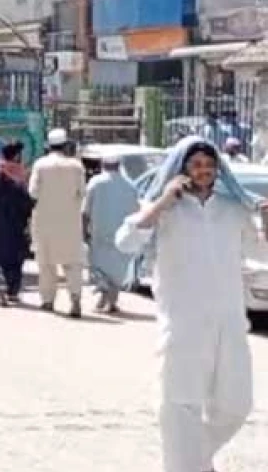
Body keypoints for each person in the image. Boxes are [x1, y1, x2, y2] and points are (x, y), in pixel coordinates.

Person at [116, 136, 265, 472]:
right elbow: (126, 241)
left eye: (210, 166)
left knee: (236, 406)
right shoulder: (165, 210)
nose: (204, 172)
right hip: (182, 323)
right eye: (196, 165)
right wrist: (163, 201)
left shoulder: (233, 209)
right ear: (182, 168)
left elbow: (260, 253)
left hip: (228, 320)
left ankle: (192, 462)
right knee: (178, 405)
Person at [28, 128, 87, 318]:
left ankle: (47, 300)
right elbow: (82, 193)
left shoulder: (40, 165)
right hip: (70, 222)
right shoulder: (76, 166)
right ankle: (75, 298)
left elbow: (33, 193)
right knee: (72, 264)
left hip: (45, 221)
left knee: (46, 264)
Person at [81, 154, 138, 314]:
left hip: (99, 233)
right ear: (119, 165)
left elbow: (85, 211)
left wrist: (84, 231)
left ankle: (106, 299)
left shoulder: (95, 183)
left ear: (103, 165)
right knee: (116, 269)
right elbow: (136, 212)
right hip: (121, 235)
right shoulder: (130, 185)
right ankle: (110, 301)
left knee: (99, 267)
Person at [0, 141, 34, 304]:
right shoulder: (21, 174)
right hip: (17, 223)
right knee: (16, 258)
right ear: (16, 156)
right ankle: (12, 290)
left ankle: (1, 289)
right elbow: (27, 201)